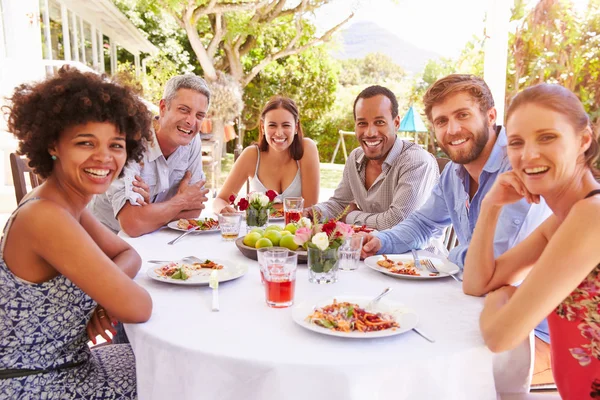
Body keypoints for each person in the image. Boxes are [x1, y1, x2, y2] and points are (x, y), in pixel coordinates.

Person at [360, 74, 553, 384]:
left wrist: (445, 257)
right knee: (382, 337)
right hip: (480, 312)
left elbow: (493, 266)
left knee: (418, 374)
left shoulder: (520, 166)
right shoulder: (454, 172)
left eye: (463, 115)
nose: (452, 130)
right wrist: (379, 240)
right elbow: (423, 222)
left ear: (490, 116)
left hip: (536, 334)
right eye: (441, 121)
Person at [0, 67, 153, 398]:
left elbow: (129, 254)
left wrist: (103, 299)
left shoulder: (66, 204)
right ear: (53, 144)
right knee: (180, 379)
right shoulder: (46, 216)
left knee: (165, 364)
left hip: (68, 365)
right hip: (37, 384)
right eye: (86, 143)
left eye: (116, 145)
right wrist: (112, 296)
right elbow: (139, 306)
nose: (104, 157)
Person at [463, 84, 600, 399]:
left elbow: (501, 336)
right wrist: (490, 207)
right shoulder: (564, 220)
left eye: (547, 137)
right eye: (516, 142)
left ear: (583, 140)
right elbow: (476, 283)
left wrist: (503, 298)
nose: (528, 155)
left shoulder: (592, 216)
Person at [90, 74, 211, 237]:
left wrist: (148, 215)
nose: (191, 121)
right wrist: (181, 201)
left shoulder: (192, 140)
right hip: (103, 238)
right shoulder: (131, 140)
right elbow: (132, 224)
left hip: (154, 238)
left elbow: (195, 209)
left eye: (199, 115)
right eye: (184, 110)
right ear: (163, 107)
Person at [306, 85, 439, 230]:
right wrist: (314, 213)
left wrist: (350, 216)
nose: (370, 132)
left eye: (379, 122)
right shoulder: (355, 158)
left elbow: (398, 222)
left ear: (396, 123)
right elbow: (340, 204)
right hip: (367, 249)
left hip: (415, 252)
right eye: (362, 123)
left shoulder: (416, 161)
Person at [212, 95, 320, 214]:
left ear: (296, 127)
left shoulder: (307, 149)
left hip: (296, 230)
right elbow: (220, 200)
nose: (279, 133)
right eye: (272, 125)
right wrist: (223, 209)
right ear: (263, 127)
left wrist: (259, 208)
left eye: (286, 125)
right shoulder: (251, 155)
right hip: (259, 231)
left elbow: (310, 207)